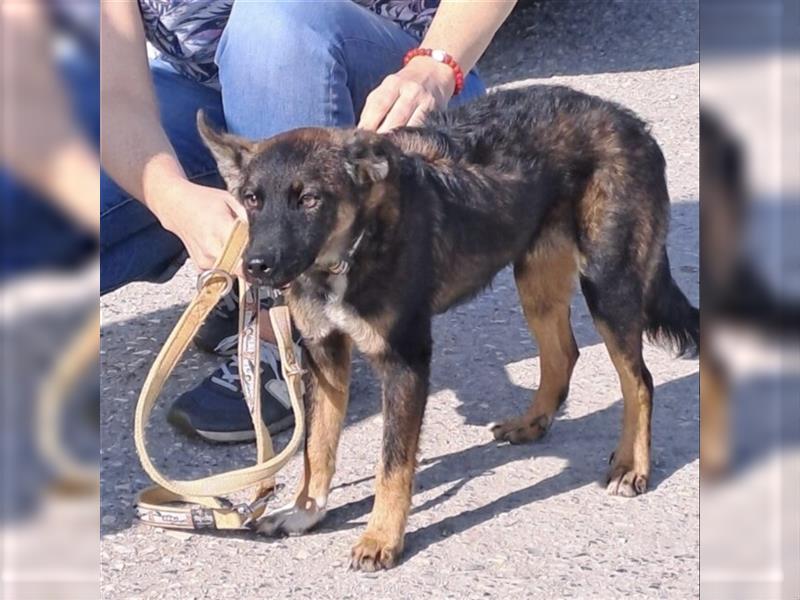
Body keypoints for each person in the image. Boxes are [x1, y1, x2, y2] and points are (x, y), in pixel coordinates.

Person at [101, 0, 515, 442]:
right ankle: (253, 275)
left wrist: (434, 67)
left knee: (272, 19)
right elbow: (115, 94)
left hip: (398, 95)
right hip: (211, 94)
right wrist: (174, 200)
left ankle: (285, 336)